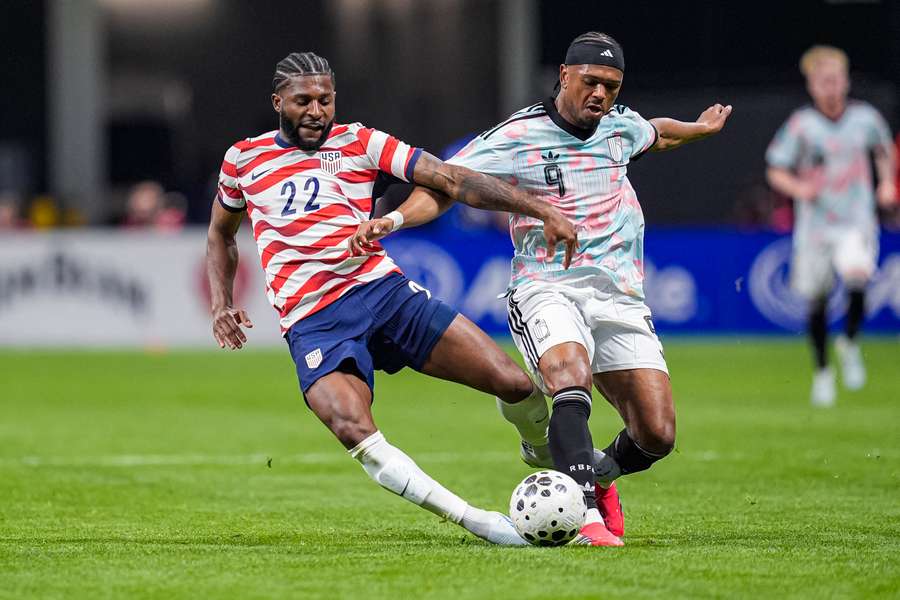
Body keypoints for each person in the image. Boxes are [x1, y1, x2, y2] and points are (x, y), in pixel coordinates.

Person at [352, 32, 731, 546]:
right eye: (591, 82)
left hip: (619, 295)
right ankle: (585, 518)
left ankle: (596, 475)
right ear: (564, 75)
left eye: (612, 87)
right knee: (569, 379)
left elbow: (656, 134)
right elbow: (447, 183)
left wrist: (699, 129)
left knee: (657, 434)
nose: (600, 95)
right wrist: (395, 218)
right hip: (545, 287)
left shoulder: (619, 128)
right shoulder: (517, 136)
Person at [206, 52, 578, 546]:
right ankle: (482, 523)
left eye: (325, 99)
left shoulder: (360, 141)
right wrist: (220, 302)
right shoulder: (244, 159)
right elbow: (220, 233)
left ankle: (539, 451)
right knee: (354, 429)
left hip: (384, 293)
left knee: (515, 385)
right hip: (313, 320)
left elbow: (448, 178)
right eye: (303, 101)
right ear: (278, 102)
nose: (317, 110)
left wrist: (537, 207)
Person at [766, 45, 896, 407]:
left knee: (858, 279)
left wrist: (887, 183)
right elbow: (775, 168)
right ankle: (823, 373)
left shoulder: (866, 118)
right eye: (823, 81)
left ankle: (850, 341)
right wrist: (799, 188)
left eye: (836, 79)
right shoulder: (801, 125)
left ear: (846, 81)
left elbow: (884, 150)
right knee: (817, 301)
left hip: (856, 219)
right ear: (812, 85)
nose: (831, 87)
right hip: (815, 227)